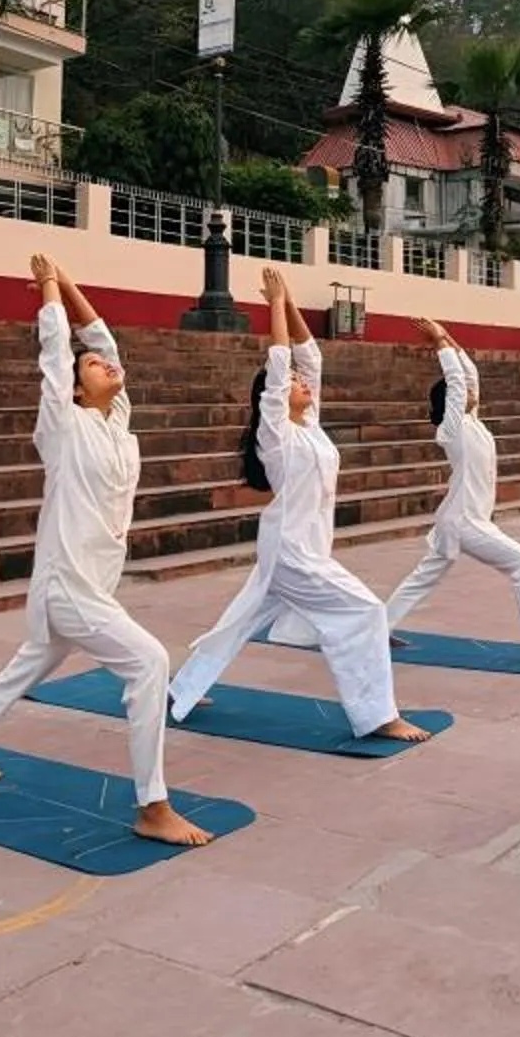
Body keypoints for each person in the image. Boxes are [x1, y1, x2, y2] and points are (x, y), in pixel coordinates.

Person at [0, 254, 211, 847]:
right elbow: (56, 354)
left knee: (22, 670)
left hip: (89, 585)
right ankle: (153, 806)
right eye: (92, 365)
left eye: (108, 363)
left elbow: (100, 336)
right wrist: (49, 290)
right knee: (149, 662)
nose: (106, 364)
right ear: (76, 383)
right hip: (71, 589)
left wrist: (74, 286)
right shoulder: (61, 423)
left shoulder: (117, 421)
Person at [169, 267, 429, 743]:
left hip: (299, 548)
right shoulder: (276, 433)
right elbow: (282, 363)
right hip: (294, 553)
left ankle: (179, 689)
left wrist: (289, 301)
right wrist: (273, 307)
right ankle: (378, 716)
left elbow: (309, 357)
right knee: (367, 612)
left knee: (238, 621)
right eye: (292, 382)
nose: (303, 385)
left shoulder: (309, 424)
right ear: (271, 394)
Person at [384, 316, 520, 665]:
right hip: (465, 521)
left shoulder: (473, 421)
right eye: (464, 394)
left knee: (424, 576)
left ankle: (377, 630)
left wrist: (448, 337)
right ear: (451, 404)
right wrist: (438, 341)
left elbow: (468, 372)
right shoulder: (451, 429)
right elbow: (457, 380)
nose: (472, 392)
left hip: (462, 517)